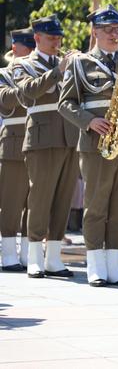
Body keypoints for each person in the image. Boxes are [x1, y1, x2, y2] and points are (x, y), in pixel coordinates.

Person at [58, 5, 118, 286]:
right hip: (97, 141)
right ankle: (95, 263)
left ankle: (114, 264)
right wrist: (88, 121)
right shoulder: (81, 62)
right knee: (96, 204)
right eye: (107, 29)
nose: (113, 34)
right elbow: (65, 103)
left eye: (117, 29)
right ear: (94, 31)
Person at [14, 14, 80, 279]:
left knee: (63, 200)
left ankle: (53, 259)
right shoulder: (24, 64)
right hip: (42, 138)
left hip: (69, 137)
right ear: (37, 38)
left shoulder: (67, 63)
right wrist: (57, 72)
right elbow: (25, 92)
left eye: (59, 38)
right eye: (51, 38)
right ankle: (33, 257)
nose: (56, 43)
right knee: (39, 199)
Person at [0, 28, 35, 271]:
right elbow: (7, 100)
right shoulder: (4, 74)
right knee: (12, 200)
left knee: (34, 200)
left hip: (39, 140)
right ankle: (9, 251)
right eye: (27, 47)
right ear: (15, 48)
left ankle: (28, 252)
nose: (32, 52)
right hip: (14, 139)